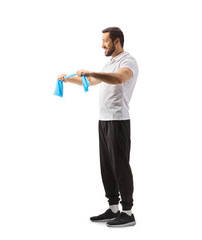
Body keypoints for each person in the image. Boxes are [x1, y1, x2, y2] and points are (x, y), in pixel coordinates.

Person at [58, 27, 138, 227]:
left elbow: (120, 78)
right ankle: (113, 208)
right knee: (107, 166)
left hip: (118, 121)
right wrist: (67, 79)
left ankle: (128, 212)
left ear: (117, 41)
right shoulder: (109, 63)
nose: (102, 45)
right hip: (104, 121)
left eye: (106, 41)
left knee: (120, 166)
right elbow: (92, 80)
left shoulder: (128, 62)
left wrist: (92, 71)